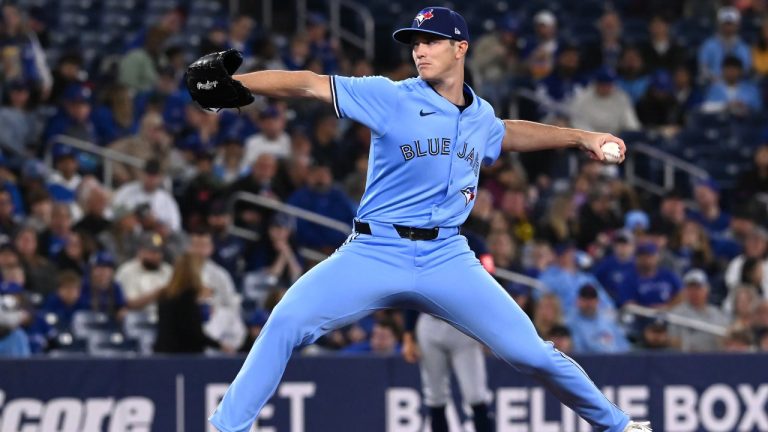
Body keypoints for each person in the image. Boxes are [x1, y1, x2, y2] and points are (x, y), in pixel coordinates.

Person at [198, 7, 650, 432]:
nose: (419, 50)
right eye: (415, 42)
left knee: (531, 353)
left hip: (447, 255)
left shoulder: (480, 116)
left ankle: (619, 426)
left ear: (460, 48)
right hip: (375, 248)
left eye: (432, 41)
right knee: (285, 322)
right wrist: (240, 83)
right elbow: (309, 84)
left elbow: (508, 132)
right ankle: (224, 428)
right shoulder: (389, 96)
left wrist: (581, 137)